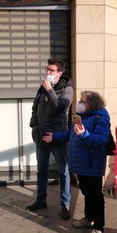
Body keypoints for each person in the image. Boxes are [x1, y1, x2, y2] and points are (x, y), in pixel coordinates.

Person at [43, 91, 110, 233]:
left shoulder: (101, 117)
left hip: (91, 163)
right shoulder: (81, 116)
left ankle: (99, 229)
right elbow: (71, 134)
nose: (79, 103)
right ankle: (88, 218)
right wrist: (55, 136)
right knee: (86, 192)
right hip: (81, 164)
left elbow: (101, 140)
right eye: (80, 100)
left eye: (83, 101)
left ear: (92, 104)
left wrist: (85, 135)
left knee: (95, 196)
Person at [26, 58, 74, 220]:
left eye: (51, 70)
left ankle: (65, 205)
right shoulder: (42, 87)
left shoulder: (67, 89)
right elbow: (35, 106)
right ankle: (41, 200)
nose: (47, 72)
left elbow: (60, 107)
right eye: (47, 69)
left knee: (63, 172)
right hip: (41, 136)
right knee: (42, 171)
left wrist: (49, 90)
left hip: (57, 137)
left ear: (59, 73)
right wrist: (34, 125)